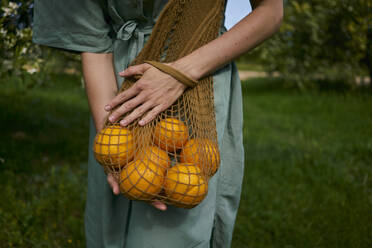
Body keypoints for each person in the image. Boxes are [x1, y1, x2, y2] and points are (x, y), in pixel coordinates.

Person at [33, 0, 283, 247]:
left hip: (198, 75)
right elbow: (93, 44)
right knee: (109, 222)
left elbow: (270, 12)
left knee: (175, 233)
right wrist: (112, 145)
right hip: (118, 90)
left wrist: (181, 73)